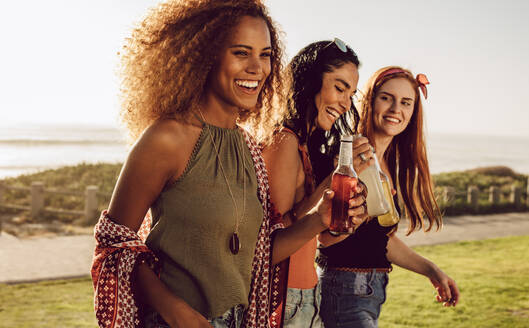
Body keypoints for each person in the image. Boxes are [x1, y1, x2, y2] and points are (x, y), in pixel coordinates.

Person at [90, 1, 336, 328]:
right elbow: (115, 246)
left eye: (265, 55)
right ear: (205, 56)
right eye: (240, 53)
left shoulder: (249, 147)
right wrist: (175, 311)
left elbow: (256, 258)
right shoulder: (167, 138)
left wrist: (320, 218)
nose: (257, 68)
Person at [317, 66, 461, 328]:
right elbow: (322, 236)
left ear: (413, 113)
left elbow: (380, 240)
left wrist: (432, 270)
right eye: (386, 98)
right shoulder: (350, 154)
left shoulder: (385, 163)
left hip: (371, 293)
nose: (396, 109)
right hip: (343, 291)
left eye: (406, 102)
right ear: (370, 101)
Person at [262, 39, 371, 328]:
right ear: (310, 81)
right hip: (284, 300)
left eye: (351, 93)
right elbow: (274, 238)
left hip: (308, 295)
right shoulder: (283, 141)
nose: (346, 104)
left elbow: (320, 237)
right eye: (339, 87)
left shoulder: (306, 147)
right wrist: (335, 176)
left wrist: (353, 215)